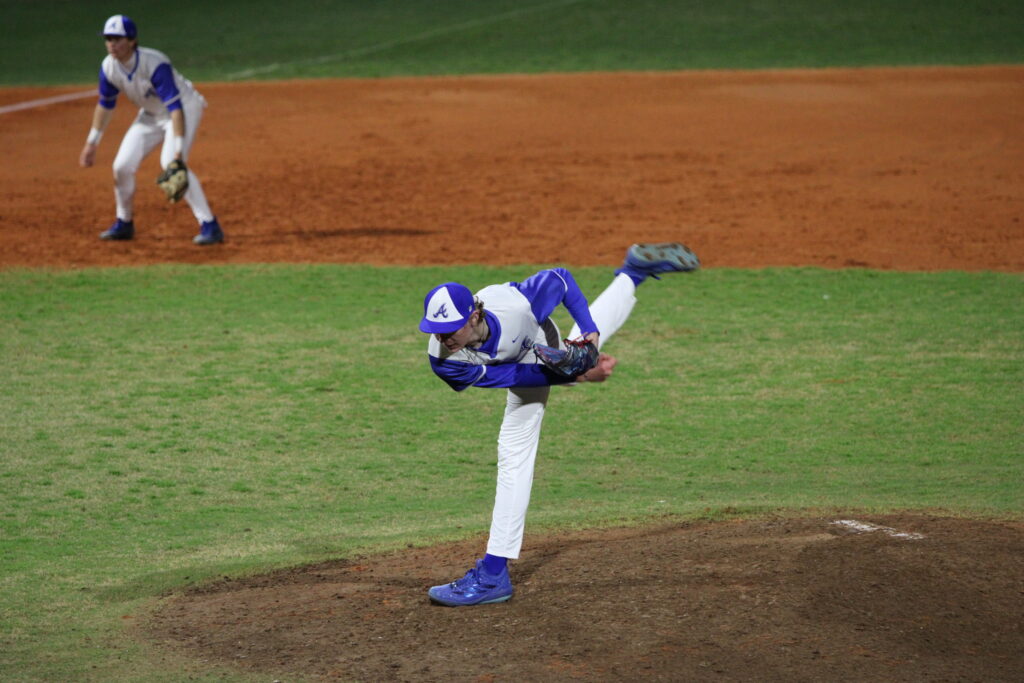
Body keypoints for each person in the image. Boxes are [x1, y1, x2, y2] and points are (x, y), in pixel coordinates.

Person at [418, 242, 700, 606]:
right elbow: (514, 375)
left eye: (449, 331)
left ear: (474, 316)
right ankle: (633, 273)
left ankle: (492, 576)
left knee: (514, 453)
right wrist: (579, 374)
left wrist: (589, 333)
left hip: (537, 336)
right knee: (518, 438)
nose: (442, 339)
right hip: (516, 366)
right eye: (436, 331)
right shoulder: (444, 359)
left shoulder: (517, 305)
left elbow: (562, 280)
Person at [78, 14, 224, 246]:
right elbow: (105, 104)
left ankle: (210, 225)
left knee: (171, 165)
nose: (112, 44)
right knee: (122, 166)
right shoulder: (109, 67)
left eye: (117, 38)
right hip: (150, 115)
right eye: (108, 39)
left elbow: (175, 108)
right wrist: (91, 142)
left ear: (132, 40)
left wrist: (178, 152)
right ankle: (123, 223)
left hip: (184, 109)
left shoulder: (154, 63)